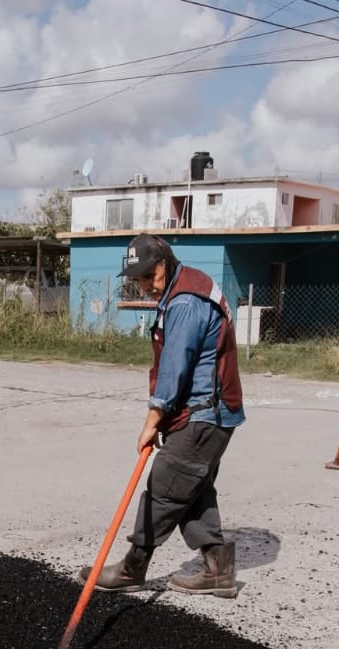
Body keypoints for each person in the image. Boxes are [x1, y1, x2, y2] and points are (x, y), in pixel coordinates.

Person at [81, 235, 246, 597]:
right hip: (208, 414)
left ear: (165, 264)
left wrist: (153, 420)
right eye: (138, 278)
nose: (143, 284)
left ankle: (132, 569)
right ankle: (218, 569)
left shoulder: (185, 302)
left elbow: (174, 369)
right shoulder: (187, 285)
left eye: (148, 275)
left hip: (203, 414)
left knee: (165, 489)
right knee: (191, 489)